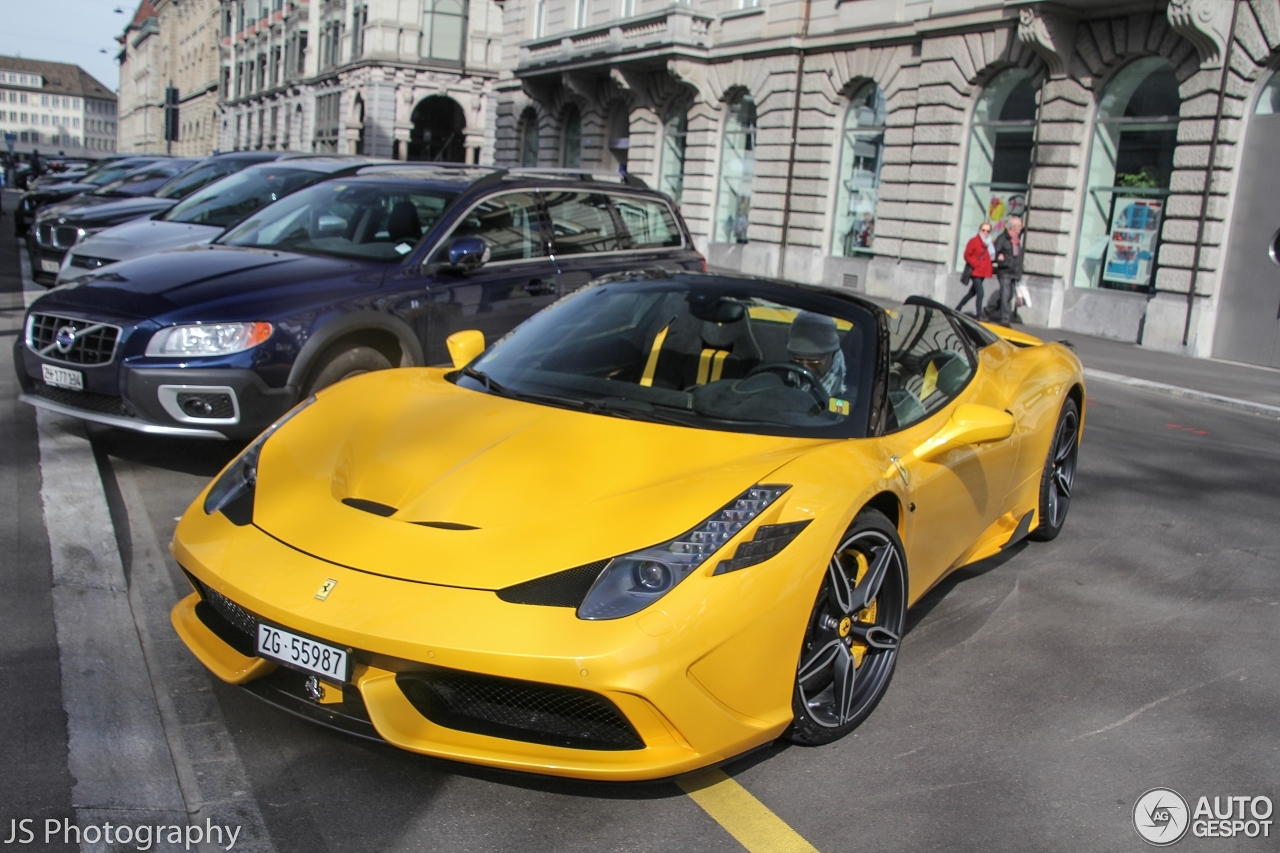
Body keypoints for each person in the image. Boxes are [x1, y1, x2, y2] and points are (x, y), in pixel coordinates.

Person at [787, 310, 846, 398]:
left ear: (831, 354)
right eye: (798, 359)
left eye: (813, 361)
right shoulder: (785, 380)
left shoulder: (850, 389)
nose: (805, 366)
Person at [985, 215, 1024, 326]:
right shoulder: (1002, 238)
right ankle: (1005, 320)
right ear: (1012, 227)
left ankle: (988, 310)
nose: (1021, 227)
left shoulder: (1016, 239)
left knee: (1008, 294)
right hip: (1005, 271)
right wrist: (1001, 260)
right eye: (1019, 225)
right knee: (1006, 294)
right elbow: (994, 253)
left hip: (1014, 271)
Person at [956, 222, 994, 318]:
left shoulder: (989, 243)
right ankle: (979, 315)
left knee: (972, 293)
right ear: (979, 230)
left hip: (982, 272)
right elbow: (967, 255)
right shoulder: (974, 241)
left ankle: (958, 307)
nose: (985, 232)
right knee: (980, 293)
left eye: (988, 231)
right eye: (983, 230)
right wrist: (975, 264)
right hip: (975, 271)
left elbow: (991, 256)